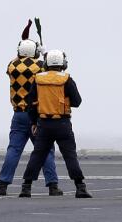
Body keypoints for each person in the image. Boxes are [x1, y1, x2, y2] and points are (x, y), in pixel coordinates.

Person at [18, 50, 91, 199]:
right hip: (63, 123)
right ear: (63, 63)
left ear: (46, 63)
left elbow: (31, 104)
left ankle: (26, 188)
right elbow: (77, 102)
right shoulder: (67, 79)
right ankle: (80, 187)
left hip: (44, 123)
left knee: (37, 156)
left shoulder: (38, 79)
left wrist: (33, 122)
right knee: (70, 156)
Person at [0, 36, 60, 196]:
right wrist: (45, 52)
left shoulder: (12, 66)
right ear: (35, 52)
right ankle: (52, 185)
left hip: (18, 114)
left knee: (14, 150)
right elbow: (52, 71)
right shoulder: (40, 67)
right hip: (37, 115)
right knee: (45, 150)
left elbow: (19, 58)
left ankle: (3, 185)